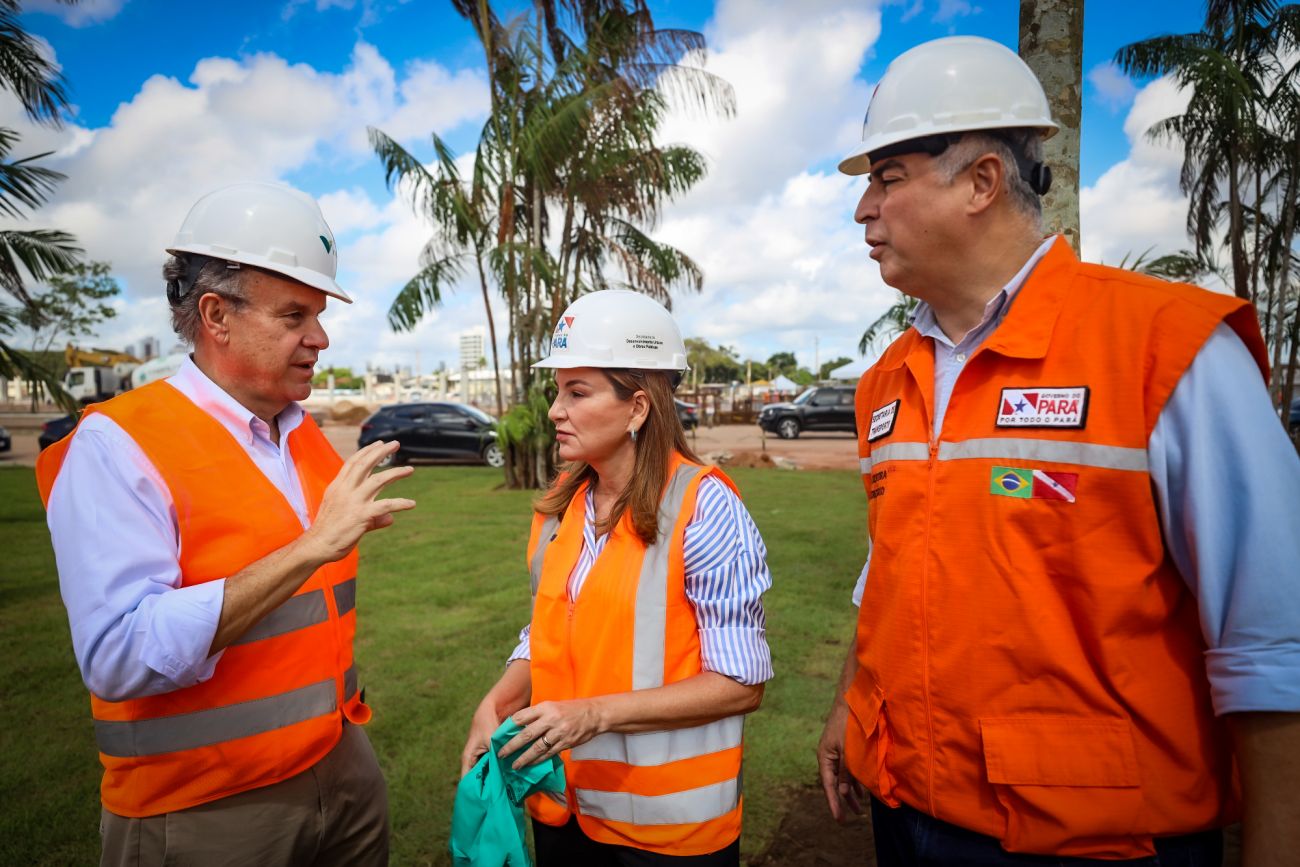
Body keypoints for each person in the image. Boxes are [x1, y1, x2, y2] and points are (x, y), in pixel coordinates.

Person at [815, 35, 1300, 866]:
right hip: (905, 812)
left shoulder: (1166, 349)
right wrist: (847, 701)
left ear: (982, 181)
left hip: (1096, 838)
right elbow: (890, 564)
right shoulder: (887, 380)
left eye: (887, 178)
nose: (864, 208)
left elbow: (1272, 640)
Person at [37, 182, 416, 867]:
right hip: (203, 811)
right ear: (216, 315)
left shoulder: (304, 436)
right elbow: (118, 654)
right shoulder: (118, 445)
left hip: (339, 765)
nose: (320, 338)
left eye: (318, 314)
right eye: (295, 315)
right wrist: (310, 548)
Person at [459, 289, 773, 866]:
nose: (555, 410)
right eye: (558, 391)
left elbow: (740, 682)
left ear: (637, 408)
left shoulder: (704, 508)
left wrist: (594, 713)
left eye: (578, 392)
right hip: (564, 809)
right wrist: (499, 699)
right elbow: (552, 628)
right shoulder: (561, 506)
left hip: (667, 832)